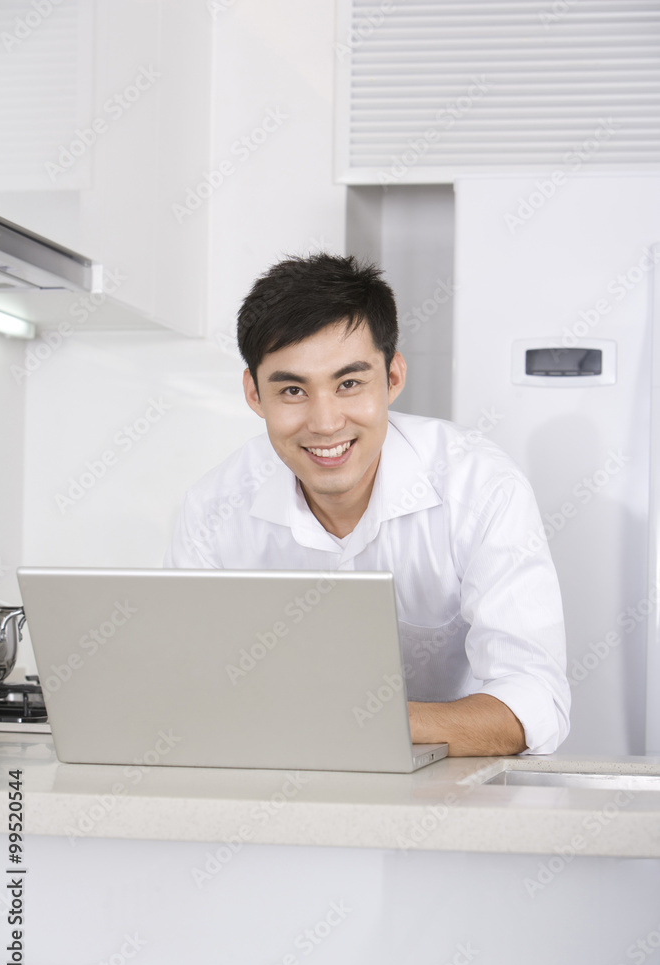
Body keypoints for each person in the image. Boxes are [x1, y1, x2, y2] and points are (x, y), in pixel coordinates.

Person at [165, 254, 570, 756]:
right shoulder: (212, 510)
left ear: (393, 377)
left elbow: (534, 705)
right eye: (292, 390)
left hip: (456, 792)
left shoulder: (481, 487)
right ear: (253, 393)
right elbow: (191, 689)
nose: (326, 422)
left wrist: (353, 721)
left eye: (349, 384)